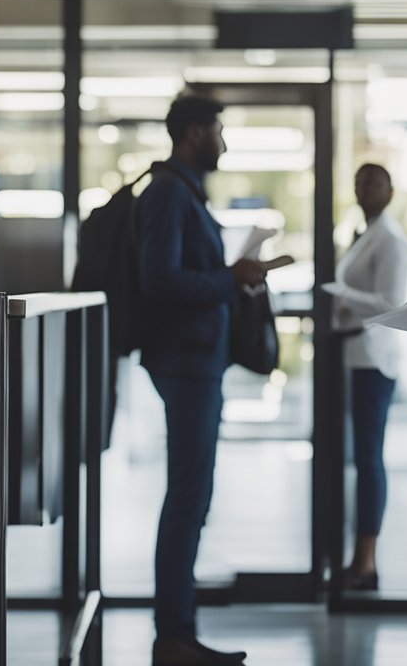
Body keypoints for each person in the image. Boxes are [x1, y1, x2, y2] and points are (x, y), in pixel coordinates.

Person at [136, 94, 267, 666]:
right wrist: (228, 276)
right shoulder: (168, 193)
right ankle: (173, 638)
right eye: (217, 130)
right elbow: (160, 281)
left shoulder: (182, 192)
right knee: (187, 499)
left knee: (192, 497)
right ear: (193, 133)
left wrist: (232, 277)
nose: (223, 141)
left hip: (196, 363)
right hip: (184, 364)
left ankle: (179, 634)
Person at [328, 163, 407, 590]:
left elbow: (391, 303)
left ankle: (366, 562)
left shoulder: (391, 239)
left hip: (374, 362)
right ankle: (358, 559)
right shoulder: (365, 232)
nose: (363, 189)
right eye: (358, 181)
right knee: (361, 460)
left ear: (390, 190)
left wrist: (342, 296)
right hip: (355, 357)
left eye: (373, 182)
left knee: (368, 460)